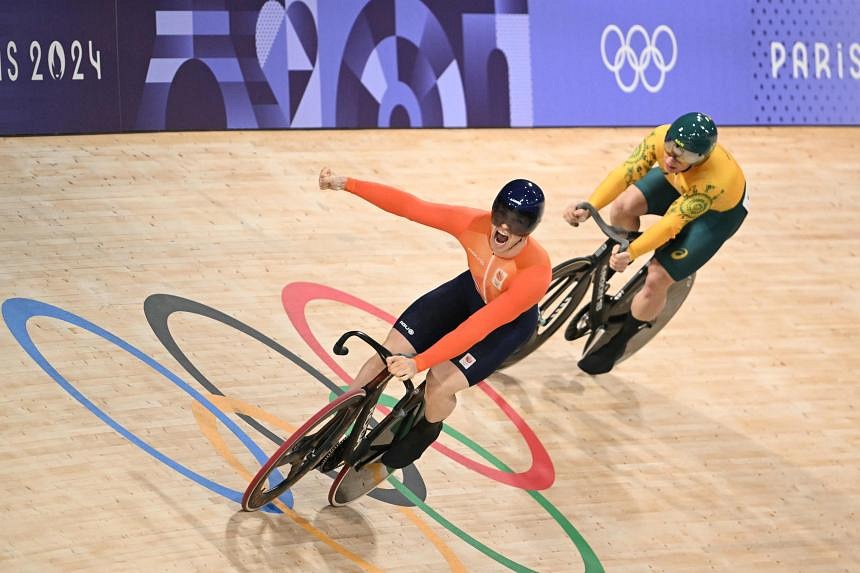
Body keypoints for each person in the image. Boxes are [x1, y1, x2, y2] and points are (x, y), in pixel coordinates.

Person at [318, 167, 551, 468]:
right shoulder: (474, 223)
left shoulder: (535, 273)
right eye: (502, 215)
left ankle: (426, 430)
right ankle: (335, 425)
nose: (505, 228)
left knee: (439, 381)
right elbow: (413, 208)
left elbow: (478, 328)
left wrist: (419, 363)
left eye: (518, 223)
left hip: (504, 326)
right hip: (470, 291)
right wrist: (347, 183)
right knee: (387, 353)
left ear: (529, 230)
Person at [563, 112, 748, 375]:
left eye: (683, 156)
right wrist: (591, 204)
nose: (671, 159)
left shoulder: (714, 180)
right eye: (671, 149)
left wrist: (635, 251)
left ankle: (621, 340)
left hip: (716, 214)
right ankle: (620, 262)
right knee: (623, 207)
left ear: (701, 159)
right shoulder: (660, 138)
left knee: (657, 277)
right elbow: (626, 172)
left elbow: (672, 223)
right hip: (682, 184)